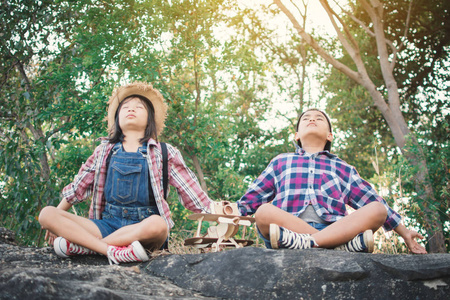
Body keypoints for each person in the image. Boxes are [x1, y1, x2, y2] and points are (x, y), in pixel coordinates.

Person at [39, 82, 214, 264]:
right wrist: (54, 224)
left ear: (150, 119)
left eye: (139, 107)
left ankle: (86, 248)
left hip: (143, 230)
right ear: (117, 118)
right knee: (47, 214)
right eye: (125, 107)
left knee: (159, 224)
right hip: (106, 226)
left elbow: (195, 197)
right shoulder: (103, 151)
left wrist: (224, 213)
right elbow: (77, 189)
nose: (131, 110)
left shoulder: (164, 152)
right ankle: (110, 250)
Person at [237, 108, 427, 254]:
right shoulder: (281, 161)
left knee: (378, 209)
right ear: (296, 135)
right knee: (263, 212)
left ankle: (310, 243)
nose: (312, 119)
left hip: (335, 228)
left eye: (319, 119)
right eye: (306, 118)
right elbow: (252, 198)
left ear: (330, 135)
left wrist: (404, 232)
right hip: (287, 230)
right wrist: (222, 210)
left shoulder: (342, 168)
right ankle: (336, 246)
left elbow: (372, 200)